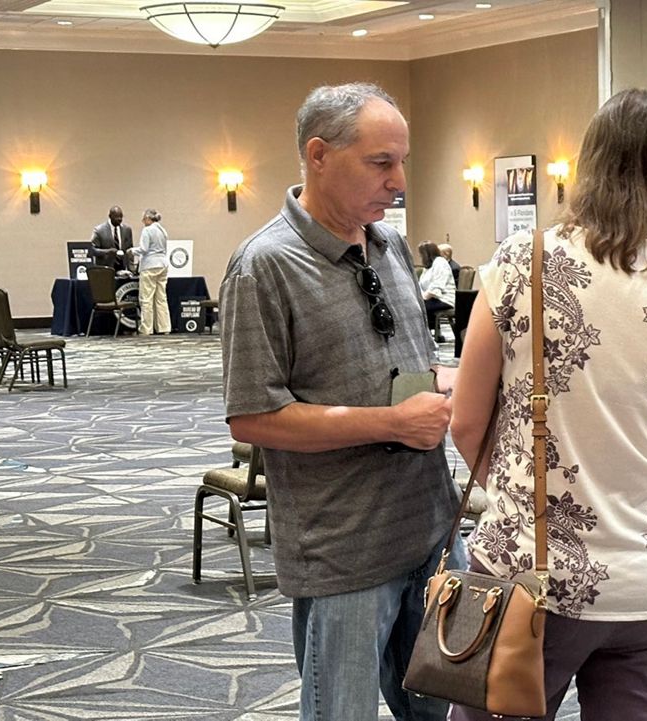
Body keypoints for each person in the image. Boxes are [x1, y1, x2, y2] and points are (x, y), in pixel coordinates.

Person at [449, 88, 647, 721]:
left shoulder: (522, 265)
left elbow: (466, 421)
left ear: (587, 167)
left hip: (531, 575)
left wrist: (524, 492)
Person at [218, 82, 464, 721]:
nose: (399, 181)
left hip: (431, 528)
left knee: (448, 710)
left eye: (402, 162)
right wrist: (388, 422)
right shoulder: (264, 267)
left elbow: (408, 367)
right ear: (318, 155)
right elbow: (252, 415)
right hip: (345, 550)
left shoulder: (387, 244)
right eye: (381, 163)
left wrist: (450, 384)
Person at [132, 208, 170, 335]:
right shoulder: (163, 230)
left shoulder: (147, 230)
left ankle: (146, 328)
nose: (143, 221)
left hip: (150, 266)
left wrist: (131, 250)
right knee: (161, 298)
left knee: (146, 298)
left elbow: (144, 249)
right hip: (163, 265)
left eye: (144, 219)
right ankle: (164, 327)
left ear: (148, 218)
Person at [417, 240, 455, 340]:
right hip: (432, 298)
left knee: (418, 307)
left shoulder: (440, 263)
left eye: (421, 254)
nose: (420, 257)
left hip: (445, 298)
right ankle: (429, 334)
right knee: (417, 305)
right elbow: (421, 285)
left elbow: (438, 285)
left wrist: (422, 298)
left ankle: (426, 336)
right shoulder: (428, 266)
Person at [90, 205, 133, 272]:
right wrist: (108, 252)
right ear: (110, 216)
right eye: (117, 217)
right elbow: (92, 250)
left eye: (121, 217)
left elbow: (130, 249)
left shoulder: (127, 230)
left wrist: (131, 268)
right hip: (105, 269)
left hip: (123, 269)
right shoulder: (99, 230)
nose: (119, 219)